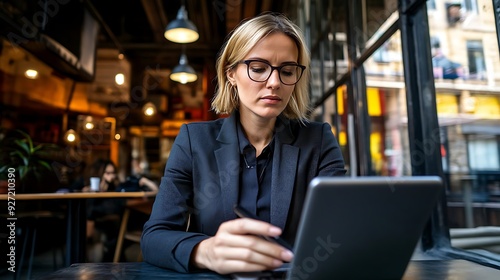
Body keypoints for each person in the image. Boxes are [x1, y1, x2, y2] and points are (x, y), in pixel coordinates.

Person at [141, 12, 346, 274]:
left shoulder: (317, 140)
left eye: (286, 71)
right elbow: (154, 237)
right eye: (258, 68)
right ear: (231, 74)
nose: (274, 83)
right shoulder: (194, 141)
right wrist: (206, 251)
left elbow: (339, 232)